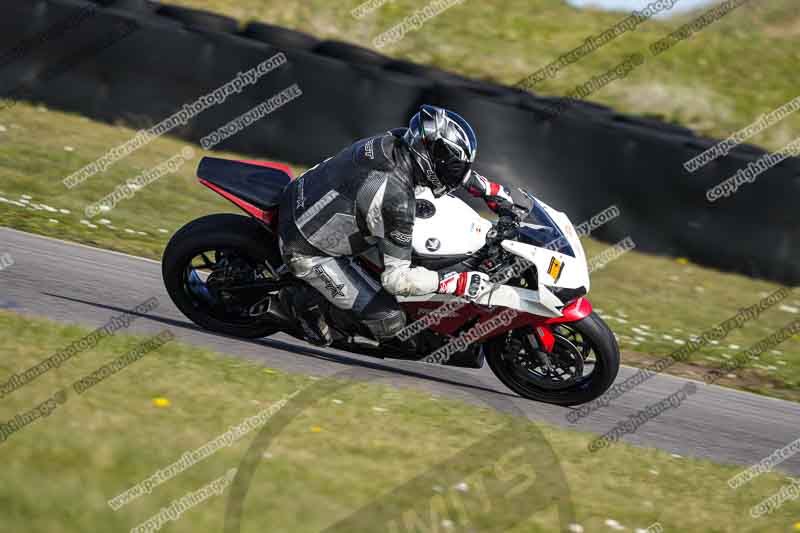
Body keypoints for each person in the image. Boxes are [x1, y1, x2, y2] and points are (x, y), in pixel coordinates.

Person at [277, 104, 514, 347]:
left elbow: (442, 167)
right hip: (306, 248)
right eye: (452, 167)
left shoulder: (398, 140)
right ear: (430, 158)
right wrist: (456, 283)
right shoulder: (396, 199)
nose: (454, 175)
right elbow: (397, 280)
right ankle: (301, 302)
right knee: (390, 321)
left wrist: (491, 191)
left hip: (307, 192)